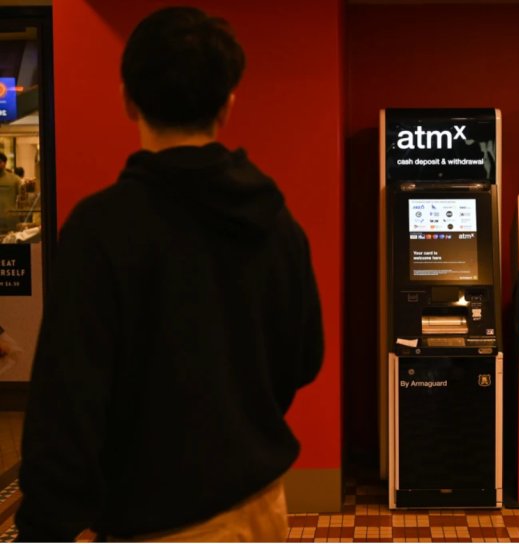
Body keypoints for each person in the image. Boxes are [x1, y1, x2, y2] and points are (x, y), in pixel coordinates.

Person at [15, 7, 323, 542]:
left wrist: (46, 527)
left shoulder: (101, 228)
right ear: (227, 103)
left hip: (153, 522)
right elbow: (303, 358)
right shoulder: (276, 219)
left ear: (127, 98)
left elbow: (67, 405)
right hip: (261, 510)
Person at [0, 152, 22, 235]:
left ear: (5, 163)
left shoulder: (15, 179)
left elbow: (22, 200)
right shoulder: (15, 179)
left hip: (10, 221)